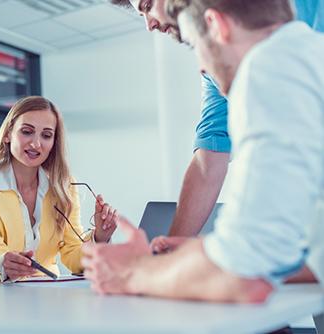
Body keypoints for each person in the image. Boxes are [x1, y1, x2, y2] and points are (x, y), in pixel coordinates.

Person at [83, 0, 324, 302]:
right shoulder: (311, 53)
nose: (200, 66)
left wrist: (133, 271)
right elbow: (306, 261)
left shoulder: (266, 69)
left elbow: (245, 277)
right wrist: (205, 254)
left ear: (216, 25)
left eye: (194, 44)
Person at [0, 96, 117, 282]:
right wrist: (4, 264)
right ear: (7, 134)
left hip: (47, 294)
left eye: (46, 135)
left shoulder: (64, 187)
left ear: (54, 142)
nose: (36, 144)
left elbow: (72, 254)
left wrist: (100, 238)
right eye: (27, 132)